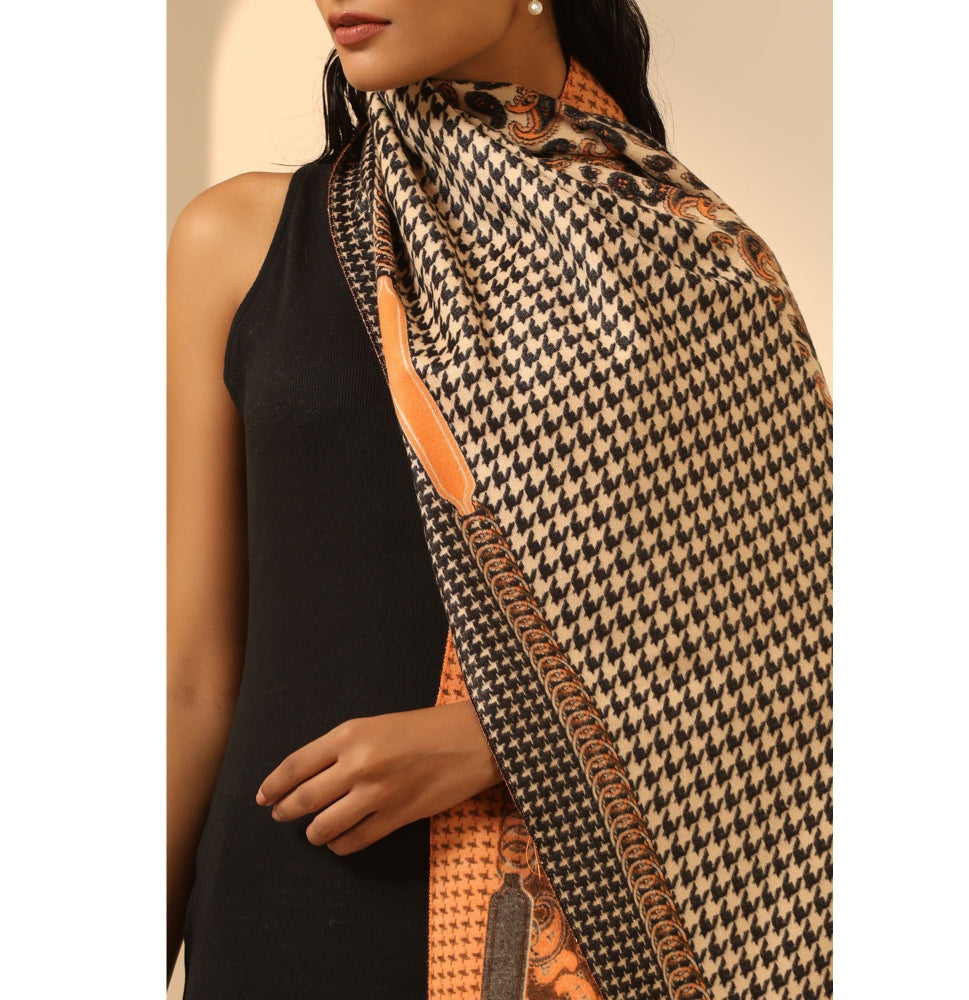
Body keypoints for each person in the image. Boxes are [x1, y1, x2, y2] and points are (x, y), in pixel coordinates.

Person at [168, 2, 832, 998]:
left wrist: (503, 736)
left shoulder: (695, 268)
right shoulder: (237, 240)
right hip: (272, 926)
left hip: (558, 940)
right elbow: (188, 681)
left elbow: (791, 652)